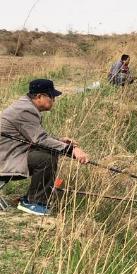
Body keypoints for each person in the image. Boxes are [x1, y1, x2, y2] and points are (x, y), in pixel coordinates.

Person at [0, 79, 89, 216]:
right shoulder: (26, 110)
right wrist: (72, 150)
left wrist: (59, 142)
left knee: (47, 153)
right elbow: (40, 139)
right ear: (39, 96)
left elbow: (36, 137)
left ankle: (32, 198)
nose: (54, 100)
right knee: (45, 158)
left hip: (9, 153)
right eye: (51, 96)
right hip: (4, 159)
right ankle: (33, 202)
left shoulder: (26, 106)